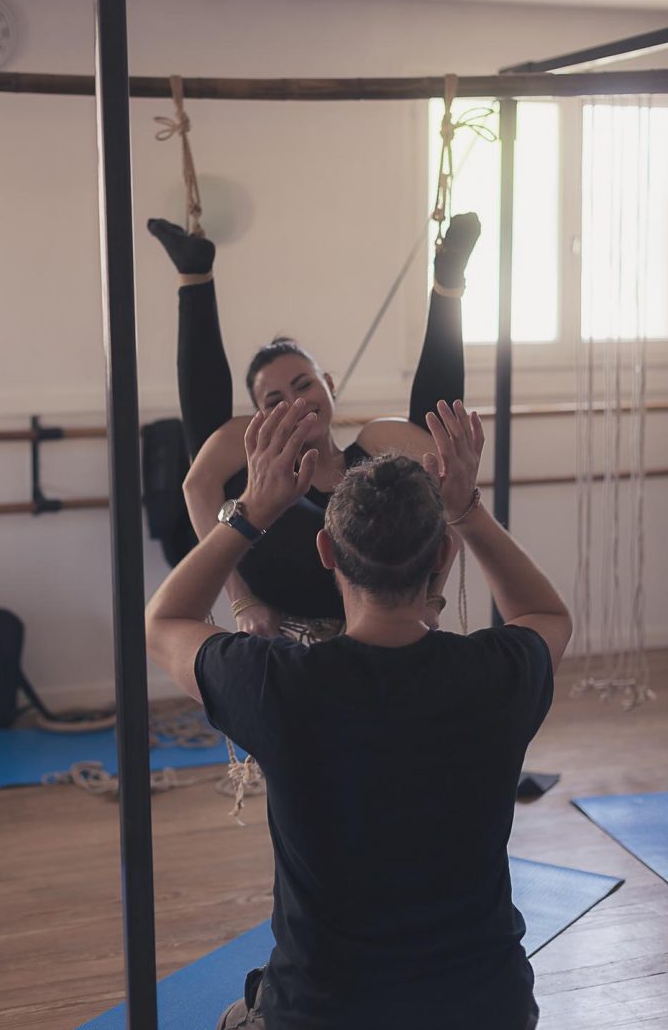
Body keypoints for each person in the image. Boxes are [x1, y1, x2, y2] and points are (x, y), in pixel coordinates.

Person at [145, 398, 572, 1030]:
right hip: (487, 1010)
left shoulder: (274, 683)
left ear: (325, 551)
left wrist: (251, 511)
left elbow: (165, 623)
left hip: (324, 1015)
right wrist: (468, 511)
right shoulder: (498, 674)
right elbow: (549, 616)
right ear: (442, 557)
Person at [148, 212, 481, 634]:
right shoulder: (257, 472)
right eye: (274, 400)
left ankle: (448, 283)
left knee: (430, 441)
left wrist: (431, 598)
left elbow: (450, 483)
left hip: (377, 618)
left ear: (328, 384)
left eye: (304, 385)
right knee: (246, 464)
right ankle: (194, 276)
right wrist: (241, 599)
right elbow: (197, 485)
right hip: (289, 625)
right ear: (261, 414)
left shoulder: (375, 445)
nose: (295, 402)